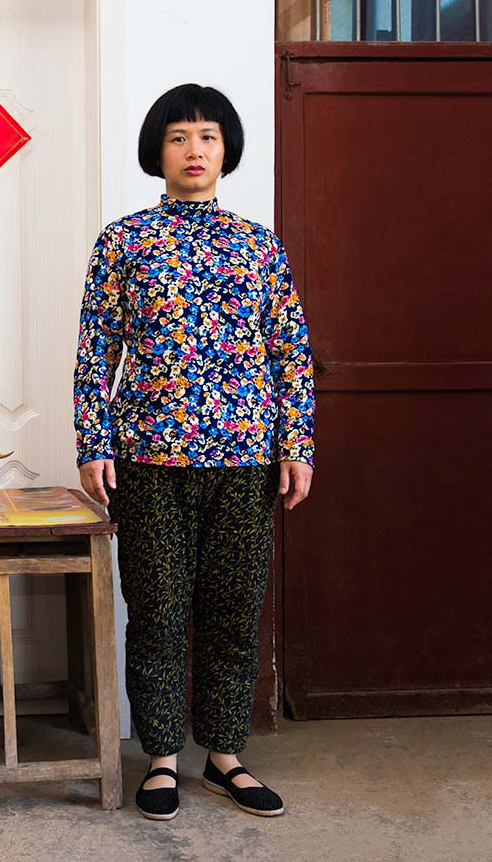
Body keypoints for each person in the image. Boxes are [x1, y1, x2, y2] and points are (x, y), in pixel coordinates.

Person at [73, 83, 314, 820]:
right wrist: (93, 441)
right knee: (158, 608)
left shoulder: (258, 244)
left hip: (245, 455)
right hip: (149, 456)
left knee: (233, 610)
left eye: (208, 136)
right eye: (180, 136)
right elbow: (95, 351)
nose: (195, 149)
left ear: (226, 150)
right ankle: (162, 757)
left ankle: (225, 753)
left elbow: (290, 352)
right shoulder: (122, 240)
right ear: (158, 151)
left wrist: (297, 442)